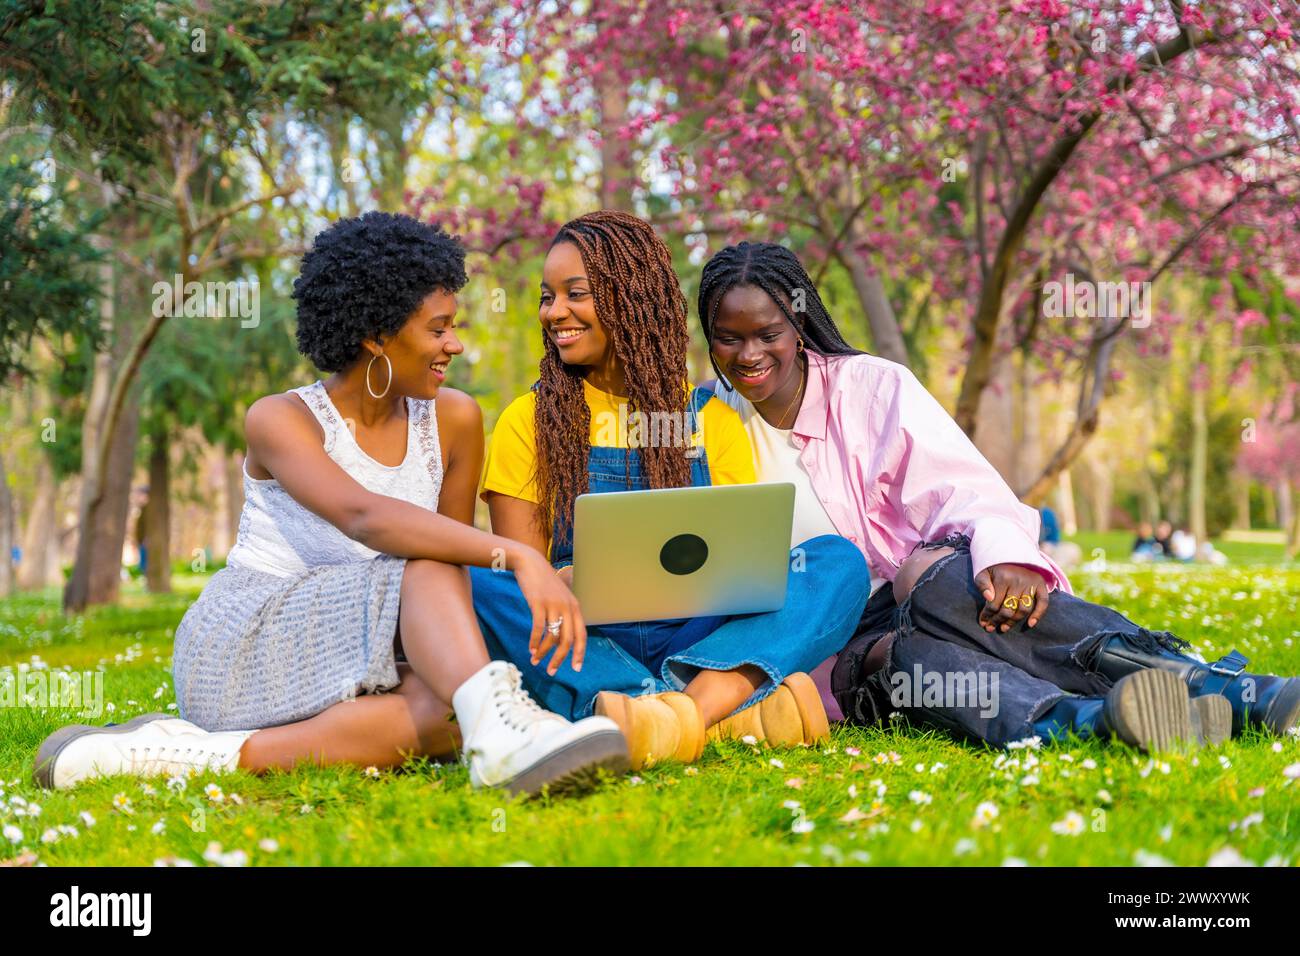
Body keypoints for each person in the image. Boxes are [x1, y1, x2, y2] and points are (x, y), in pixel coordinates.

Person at [33, 212, 628, 796]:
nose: (455, 344)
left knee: (447, 717)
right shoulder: (280, 419)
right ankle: (504, 732)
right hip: (250, 641)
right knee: (422, 555)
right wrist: (519, 558)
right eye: (438, 329)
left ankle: (192, 755)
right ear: (375, 335)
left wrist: (554, 577)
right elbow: (366, 519)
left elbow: (454, 571)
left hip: (370, 640)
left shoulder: (455, 419)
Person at [697, 241, 1300, 749]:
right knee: (907, 662)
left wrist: (1005, 554)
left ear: (799, 325)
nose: (749, 355)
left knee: (942, 593)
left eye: (767, 334)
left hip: (926, 587)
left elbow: (960, 485)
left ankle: (1217, 690)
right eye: (728, 338)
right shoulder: (705, 426)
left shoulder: (868, 387)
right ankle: (1101, 723)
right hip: (834, 639)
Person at [460, 212, 871, 770]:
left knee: (836, 563)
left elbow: (744, 565)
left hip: (699, 634)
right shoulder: (526, 421)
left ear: (632, 299)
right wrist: (563, 578)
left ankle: (666, 716)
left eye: (574, 294)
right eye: (546, 297)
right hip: (588, 641)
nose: (554, 312)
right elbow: (523, 577)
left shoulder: (713, 422)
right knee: (473, 584)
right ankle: (722, 712)